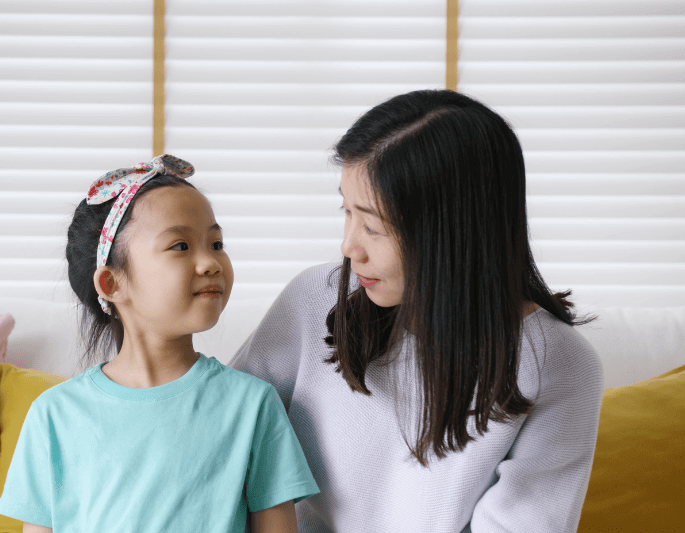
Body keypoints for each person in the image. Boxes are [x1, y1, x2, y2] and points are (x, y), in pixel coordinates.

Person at [230, 90, 603, 532]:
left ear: (456, 232)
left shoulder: (557, 364)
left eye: (372, 225)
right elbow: (220, 437)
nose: (349, 247)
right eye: (346, 212)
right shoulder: (314, 298)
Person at [0, 155, 319, 533]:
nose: (211, 262)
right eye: (181, 246)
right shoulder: (53, 415)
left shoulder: (251, 405)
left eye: (216, 243)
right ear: (111, 284)